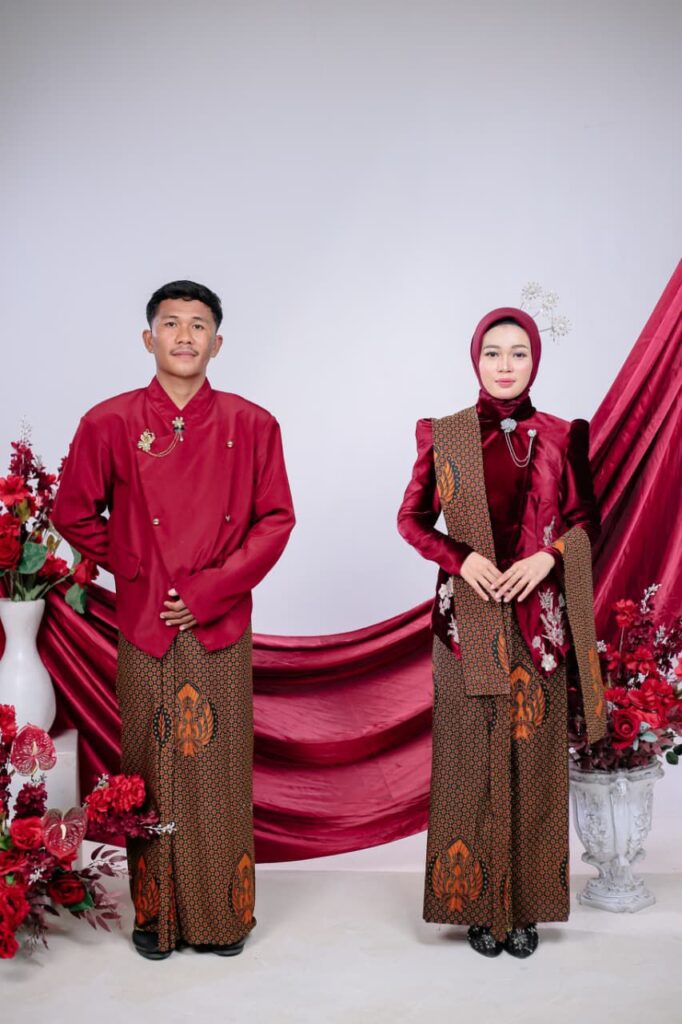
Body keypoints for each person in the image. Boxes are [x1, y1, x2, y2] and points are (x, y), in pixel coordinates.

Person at [52, 280, 295, 959]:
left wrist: (210, 590)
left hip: (220, 625)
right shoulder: (109, 421)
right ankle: (154, 918)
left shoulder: (253, 423)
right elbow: (72, 512)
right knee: (150, 771)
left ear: (218, 343)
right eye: (170, 323)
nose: (184, 335)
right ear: (148, 338)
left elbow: (275, 521)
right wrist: (137, 568)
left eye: (198, 325)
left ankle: (223, 919)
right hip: (147, 624)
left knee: (220, 774)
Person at [397, 307, 606, 958]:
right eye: (493, 352)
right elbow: (411, 520)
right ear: (476, 360)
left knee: (534, 764)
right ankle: (477, 909)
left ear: (535, 360)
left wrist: (548, 558)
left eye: (519, 352)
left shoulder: (563, 434)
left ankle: (526, 910)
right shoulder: (445, 434)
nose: (506, 364)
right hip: (467, 621)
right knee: (468, 763)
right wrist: (462, 560)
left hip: (540, 625)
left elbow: (586, 522)